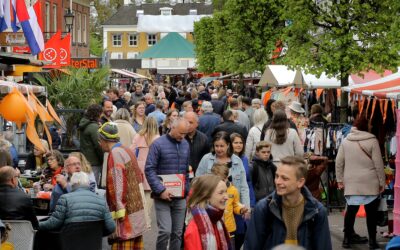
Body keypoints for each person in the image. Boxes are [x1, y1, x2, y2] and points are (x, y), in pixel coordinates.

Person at [245, 156, 332, 249]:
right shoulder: (264, 209)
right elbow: (251, 246)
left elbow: (323, 246)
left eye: (284, 178)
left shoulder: (317, 212)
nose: (277, 182)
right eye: (277, 176)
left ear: (300, 182)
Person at [336, 114, 385, 249]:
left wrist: (340, 180)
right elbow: (378, 164)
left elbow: (339, 162)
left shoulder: (346, 141)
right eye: (369, 124)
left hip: (351, 182)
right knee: (371, 213)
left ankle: (346, 239)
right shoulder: (372, 140)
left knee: (351, 211)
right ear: (365, 126)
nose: (371, 126)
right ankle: (372, 242)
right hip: (370, 182)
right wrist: (382, 182)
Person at [98, 122, 147, 249]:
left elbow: (118, 185)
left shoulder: (115, 153)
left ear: (104, 140)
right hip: (135, 210)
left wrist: (119, 213)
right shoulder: (126, 149)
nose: (99, 143)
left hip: (126, 216)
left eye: (100, 140)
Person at [145, 118, 190, 250]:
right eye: (181, 133)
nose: (183, 137)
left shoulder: (185, 144)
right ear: (172, 127)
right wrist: (160, 190)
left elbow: (186, 170)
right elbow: (149, 169)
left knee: (177, 233)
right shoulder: (158, 144)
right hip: (162, 196)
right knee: (165, 231)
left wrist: (186, 189)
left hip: (180, 197)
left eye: (185, 134)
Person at [39, 172, 115, 234]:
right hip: (94, 245)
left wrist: (36, 224)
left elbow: (53, 223)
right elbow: (111, 227)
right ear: (88, 183)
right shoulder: (101, 200)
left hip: (69, 244)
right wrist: (97, 235)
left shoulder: (65, 198)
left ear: (71, 184)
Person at [196, 131, 250, 207]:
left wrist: (246, 206)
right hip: (210, 206)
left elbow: (243, 186)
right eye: (216, 146)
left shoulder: (237, 161)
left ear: (228, 145)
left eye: (222, 146)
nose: (219, 149)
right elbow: (197, 181)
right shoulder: (206, 159)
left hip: (233, 206)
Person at [184, 174, 231, 250]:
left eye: (226, 192)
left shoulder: (217, 220)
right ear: (206, 195)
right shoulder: (195, 228)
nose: (226, 197)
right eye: (221, 193)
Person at [131, 117, 160, 229]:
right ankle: (146, 218)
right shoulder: (157, 138)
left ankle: (139, 218)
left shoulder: (138, 136)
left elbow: (132, 151)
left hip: (139, 166)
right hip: (152, 167)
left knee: (140, 193)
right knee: (149, 194)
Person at [212, 163, 248, 248]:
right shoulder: (211, 190)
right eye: (217, 180)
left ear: (227, 177)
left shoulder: (233, 190)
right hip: (215, 228)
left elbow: (236, 204)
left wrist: (241, 210)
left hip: (229, 228)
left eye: (222, 179)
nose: (220, 182)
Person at [230, 132, 254, 249]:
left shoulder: (244, 159)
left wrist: (251, 201)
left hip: (244, 198)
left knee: (242, 231)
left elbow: (248, 182)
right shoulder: (226, 159)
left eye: (241, 143)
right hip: (231, 200)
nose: (239, 145)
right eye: (236, 143)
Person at [78, 104, 104, 182]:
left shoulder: (85, 123)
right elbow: (98, 145)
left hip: (85, 159)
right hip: (94, 161)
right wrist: (103, 158)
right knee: (93, 184)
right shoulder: (93, 127)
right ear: (98, 114)